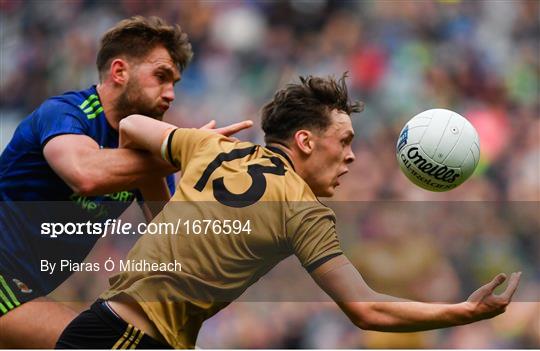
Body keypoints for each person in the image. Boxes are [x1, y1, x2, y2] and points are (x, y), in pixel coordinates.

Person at [56, 73, 521, 349]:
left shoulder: (211, 147)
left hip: (105, 325)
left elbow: (133, 125)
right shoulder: (303, 209)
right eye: (344, 142)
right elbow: (367, 310)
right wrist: (462, 312)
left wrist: (166, 201)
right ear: (304, 141)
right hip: (130, 340)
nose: (352, 157)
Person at [0, 16, 251, 348]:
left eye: (175, 82)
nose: (171, 94)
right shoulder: (68, 112)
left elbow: (171, 240)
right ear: (119, 72)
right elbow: (85, 175)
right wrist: (178, 153)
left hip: (24, 286)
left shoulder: (146, 156)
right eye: (161, 77)